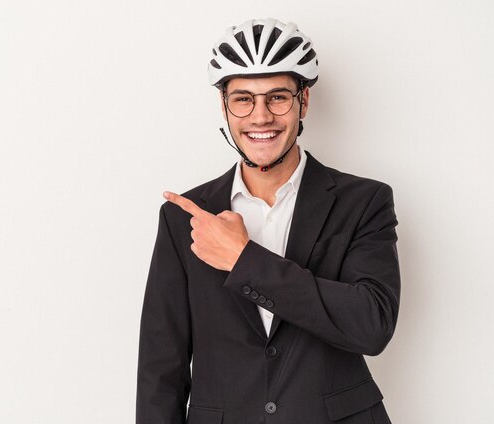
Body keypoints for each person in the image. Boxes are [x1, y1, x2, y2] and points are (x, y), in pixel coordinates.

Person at [136, 18, 400, 424]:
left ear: (303, 102)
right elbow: (161, 368)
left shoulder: (364, 202)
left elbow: (372, 326)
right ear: (224, 105)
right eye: (243, 99)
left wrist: (245, 260)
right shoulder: (185, 216)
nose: (261, 117)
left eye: (277, 97)